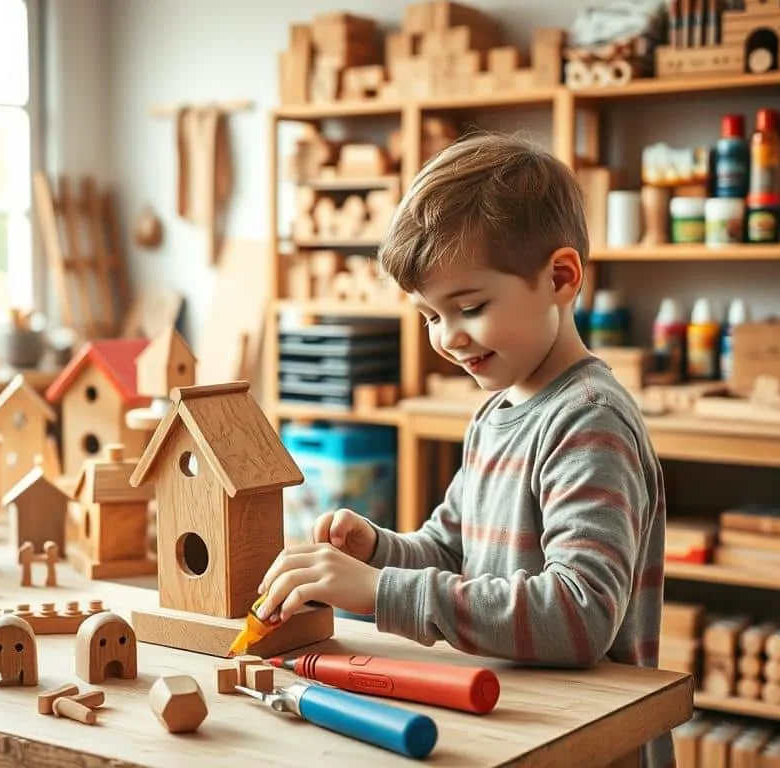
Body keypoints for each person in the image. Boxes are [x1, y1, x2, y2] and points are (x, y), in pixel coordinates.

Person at [258, 133, 670, 766]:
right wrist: (378, 550)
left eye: (470, 306)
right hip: (516, 725)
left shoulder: (589, 421)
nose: (447, 338)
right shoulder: (494, 413)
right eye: (428, 315)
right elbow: (452, 551)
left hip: (586, 743)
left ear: (560, 278)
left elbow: (581, 615)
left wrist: (381, 591)